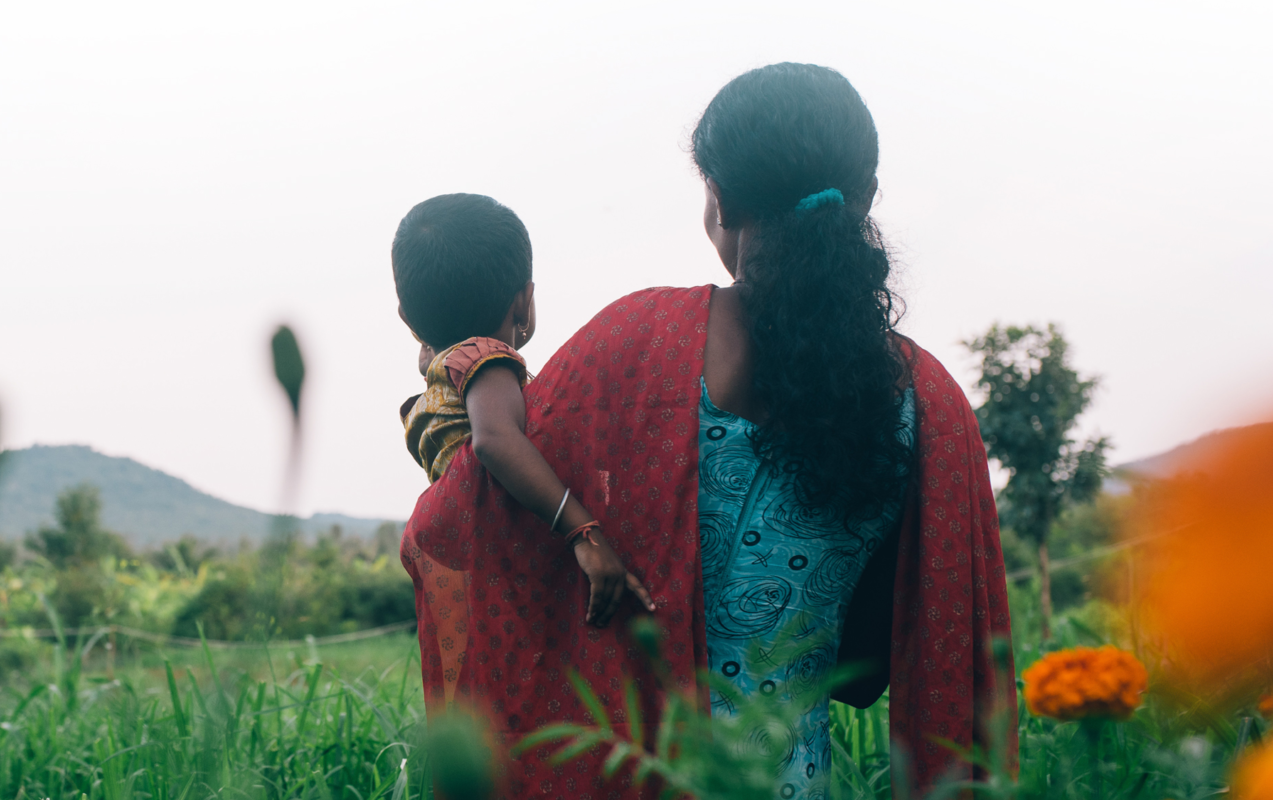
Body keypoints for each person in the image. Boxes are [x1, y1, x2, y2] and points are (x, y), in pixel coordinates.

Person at [401, 64, 1015, 799]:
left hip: (654, 773)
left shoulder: (638, 342)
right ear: (866, 200)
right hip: (794, 778)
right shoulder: (928, 402)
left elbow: (459, 514)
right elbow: (933, 625)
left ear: (718, 203)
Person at [391, 193, 654, 634]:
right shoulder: (486, 360)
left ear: (409, 320)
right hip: (517, 543)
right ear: (523, 300)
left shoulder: (439, 366)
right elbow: (493, 440)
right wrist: (583, 532)